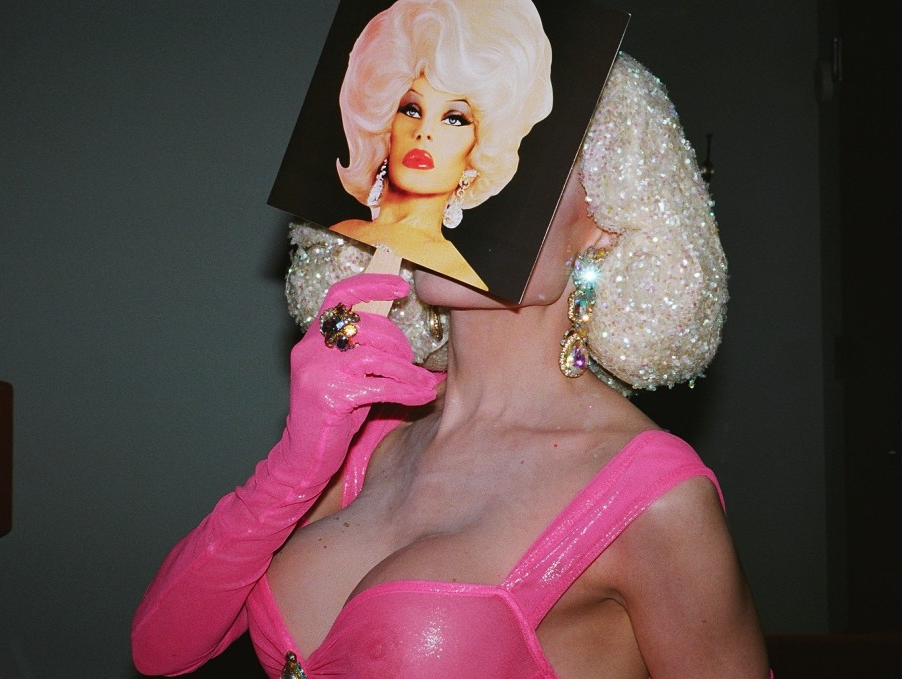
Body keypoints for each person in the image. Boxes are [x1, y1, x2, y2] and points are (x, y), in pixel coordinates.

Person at [132, 27, 770, 679]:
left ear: (606, 215)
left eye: (510, 143)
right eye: (419, 116)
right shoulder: (369, 432)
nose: (459, 178)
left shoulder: (648, 494)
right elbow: (160, 651)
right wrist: (297, 461)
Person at [329, 0, 553, 291]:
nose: (424, 132)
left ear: (481, 145)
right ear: (386, 123)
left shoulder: (460, 279)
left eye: (454, 119)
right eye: (411, 110)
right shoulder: (339, 233)